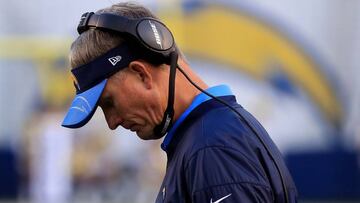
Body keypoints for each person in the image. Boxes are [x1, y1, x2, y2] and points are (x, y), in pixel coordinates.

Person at [62, 2, 298, 202]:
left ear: (142, 74)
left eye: (109, 103)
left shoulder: (212, 148)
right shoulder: (208, 138)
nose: (111, 122)